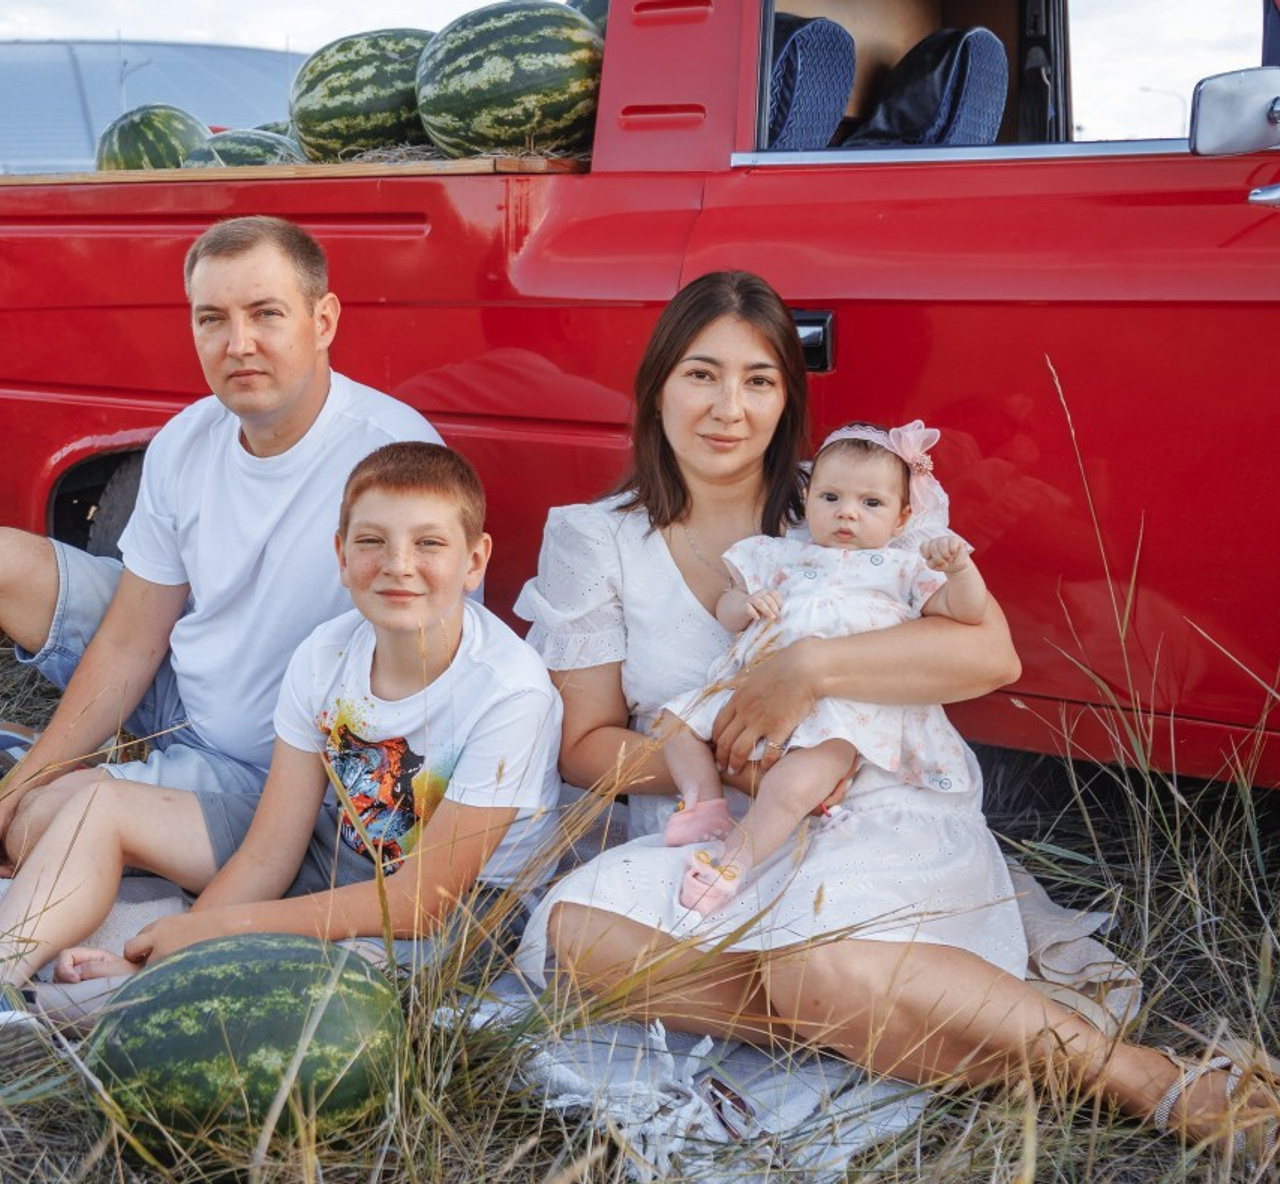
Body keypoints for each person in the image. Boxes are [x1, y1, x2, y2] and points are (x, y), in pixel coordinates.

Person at [512, 269, 1279, 1155]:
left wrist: (806, 669)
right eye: (700, 373)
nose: (729, 406)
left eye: (759, 380)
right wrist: (732, 760)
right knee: (569, 938)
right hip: (724, 831)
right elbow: (584, 745)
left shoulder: (848, 496)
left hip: (875, 806)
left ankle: (1136, 1078)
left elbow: (988, 653)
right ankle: (918, 1020)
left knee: (814, 960)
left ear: (787, 401)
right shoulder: (594, 536)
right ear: (655, 388)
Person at [0, 216, 439, 1043]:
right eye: (212, 319)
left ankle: (91, 796)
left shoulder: (390, 464)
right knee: (7, 573)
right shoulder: (187, 441)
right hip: (194, 686)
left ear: (324, 321)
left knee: (52, 823)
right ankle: (50, 767)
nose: (239, 343)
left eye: (266, 314)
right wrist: (31, 784)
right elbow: (133, 639)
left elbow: (407, 711)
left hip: (281, 767)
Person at [48, 442, 563, 983]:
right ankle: (13, 984)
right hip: (337, 853)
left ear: (475, 561)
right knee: (97, 805)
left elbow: (421, 905)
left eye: (428, 543)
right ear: (341, 557)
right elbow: (270, 852)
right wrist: (183, 942)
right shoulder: (325, 655)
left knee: (307, 984)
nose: (397, 565)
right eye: (372, 542)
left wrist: (221, 932)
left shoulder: (510, 691)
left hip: (460, 911)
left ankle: (152, 989)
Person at [661, 422, 988, 915]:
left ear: (902, 518)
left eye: (871, 504)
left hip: (843, 711)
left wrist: (960, 570)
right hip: (752, 688)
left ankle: (732, 864)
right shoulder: (778, 555)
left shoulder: (901, 570)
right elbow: (725, 604)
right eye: (831, 497)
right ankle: (704, 804)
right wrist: (746, 603)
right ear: (808, 497)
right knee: (673, 723)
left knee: (795, 784)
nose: (847, 513)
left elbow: (965, 613)